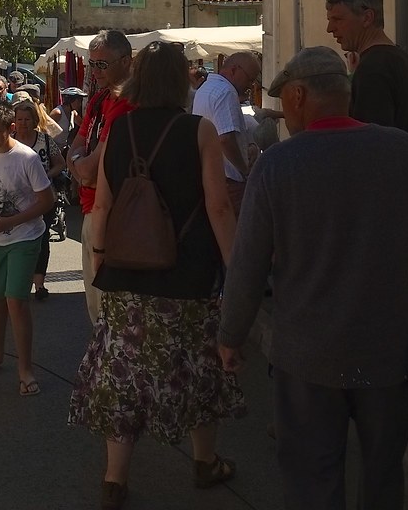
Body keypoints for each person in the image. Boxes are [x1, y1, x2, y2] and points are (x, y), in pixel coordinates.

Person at [219, 46, 408, 510]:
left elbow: (248, 263)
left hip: (306, 355)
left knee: (313, 480)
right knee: (383, 477)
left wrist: (231, 335)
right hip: (386, 352)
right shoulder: (403, 153)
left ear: (298, 96)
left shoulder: (278, 164)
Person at [70, 41, 242, 509]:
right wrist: (236, 272)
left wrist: (101, 259)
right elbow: (219, 207)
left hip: (127, 271)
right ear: (180, 81)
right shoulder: (199, 130)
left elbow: (102, 205)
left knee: (123, 372)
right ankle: (204, 461)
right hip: (188, 274)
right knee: (198, 368)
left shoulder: (119, 130)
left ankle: (114, 479)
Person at [0, 100, 54, 396]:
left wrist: (11, 221)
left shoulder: (27, 158)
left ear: (12, 128)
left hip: (25, 236)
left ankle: (25, 368)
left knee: (16, 300)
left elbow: (47, 201)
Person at [67, 30, 134, 323]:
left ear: (126, 61)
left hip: (111, 214)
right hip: (91, 207)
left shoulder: (126, 102)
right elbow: (73, 153)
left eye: (102, 64)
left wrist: (81, 167)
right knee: (96, 309)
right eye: (92, 64)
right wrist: (81, 167)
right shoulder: (98, 99)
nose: (95, 71)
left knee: (108, 311)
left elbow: (90, 168)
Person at [326, 0, 408, 142]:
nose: (330, 29)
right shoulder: (403, 59)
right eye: (329, 20)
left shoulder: (372, 69)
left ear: (367, 18)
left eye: (338, 19)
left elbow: (371, 144)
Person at [191, 51, 262, 217]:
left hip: (210, 177)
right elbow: (225, 139)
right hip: (230, 181)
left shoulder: (206, 88)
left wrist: (247, 147)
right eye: (249, 79)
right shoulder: (226, 92)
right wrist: (244, 169)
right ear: (234, 70)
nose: (250, 85)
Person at [12, 100, 64, 301]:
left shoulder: (45, 140)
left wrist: (45, 175)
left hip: (44, 197)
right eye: (20, 119)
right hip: (16, 200)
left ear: (34, 121)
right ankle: (20, 280)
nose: (23, 123)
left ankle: (39, 284)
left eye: (27, 119)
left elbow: (60, 163)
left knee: (41, 239)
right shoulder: (10, 141)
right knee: (20, 240)